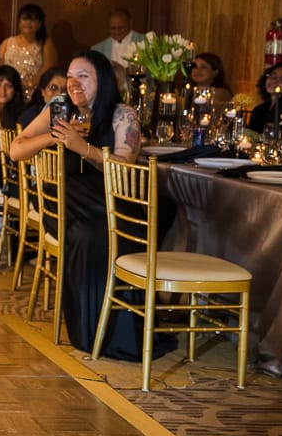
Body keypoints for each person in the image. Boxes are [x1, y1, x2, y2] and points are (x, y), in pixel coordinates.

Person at [10, 51, 174, 362]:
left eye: (83, 76)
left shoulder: (121, 114)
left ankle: (116, 332)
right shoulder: (57, 108)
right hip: (66, 199)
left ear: (102, 80)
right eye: (70, 76)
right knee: (88, 233)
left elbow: (124, 168)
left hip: (111, 199)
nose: (73, 83)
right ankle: (88, 330)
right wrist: (52, 138)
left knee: (109, 232)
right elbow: (16, 150)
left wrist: (83, 148)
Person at [0, 3, 58, 92]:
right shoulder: (7, 43)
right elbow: (0, 69)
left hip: (34, 91)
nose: (28, 23)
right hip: (9, 91)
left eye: (32, 20)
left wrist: (29, 84)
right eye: (25, 19)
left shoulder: (45, 43)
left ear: (39, 24)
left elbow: (49, 68)